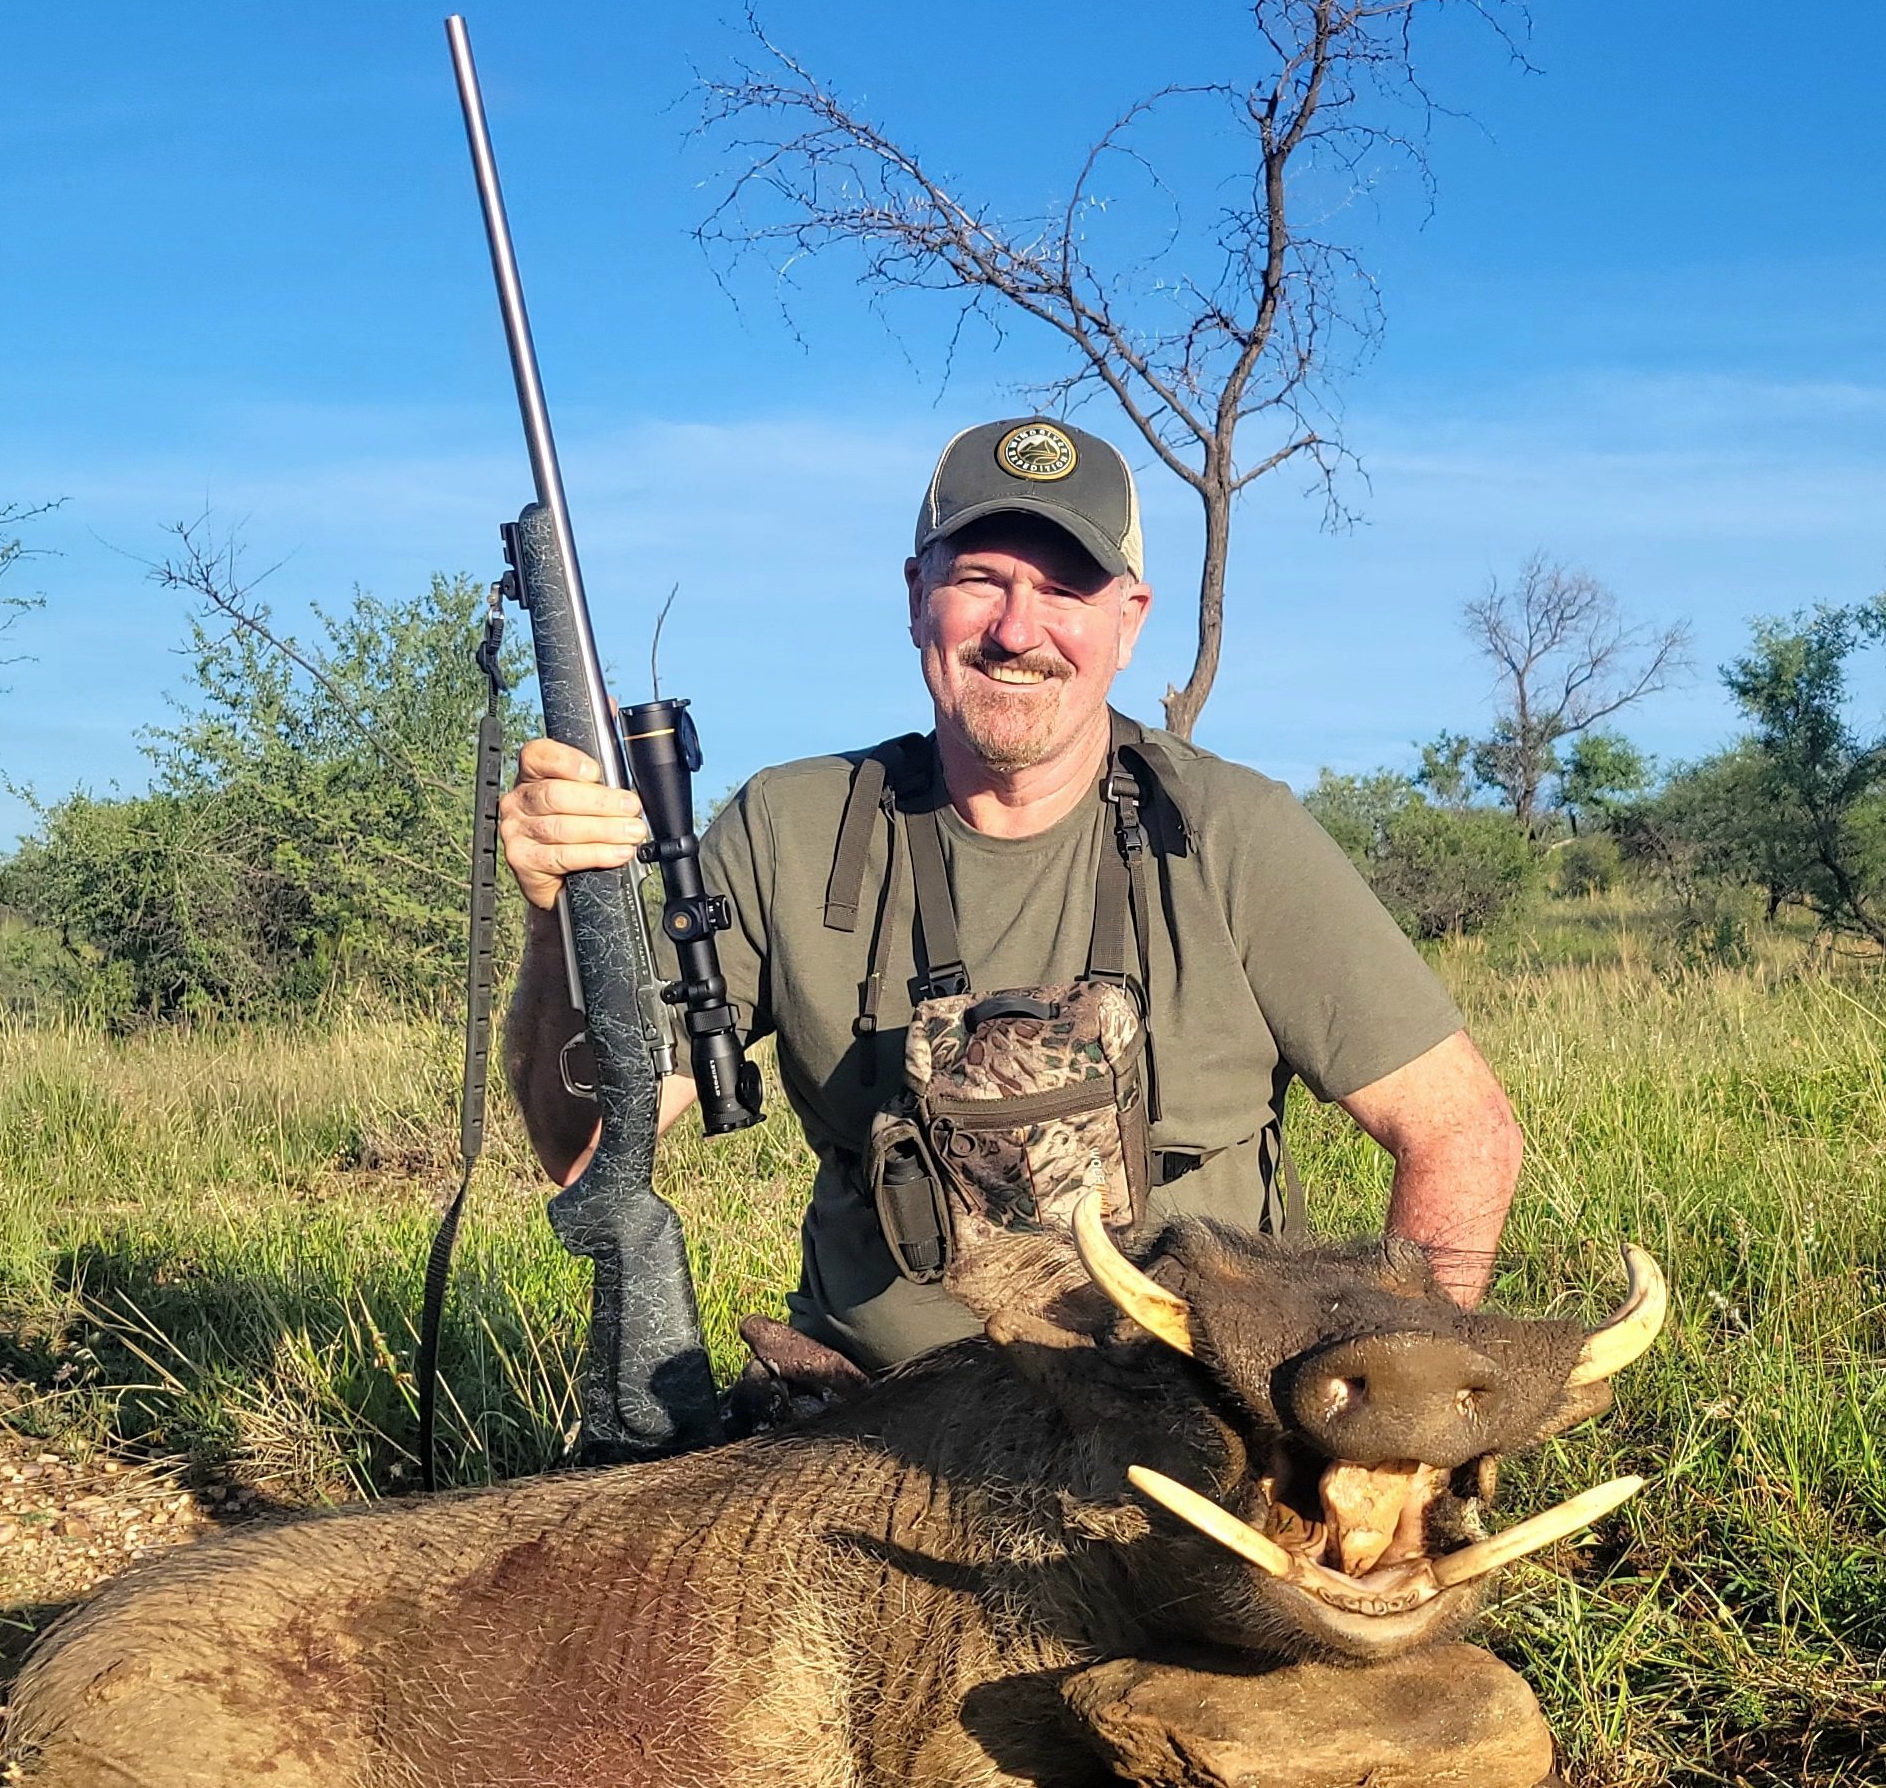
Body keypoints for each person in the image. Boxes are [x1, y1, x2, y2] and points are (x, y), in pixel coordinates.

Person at [500, 416, 1523, 1372]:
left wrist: (1399, 1393)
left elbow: (1458, 1133)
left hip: (1177, 1428)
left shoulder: (1234, 832)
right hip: (865, 1428)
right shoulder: (789, 826)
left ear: (1127, 622)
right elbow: (582, 1149)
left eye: (1066, 589)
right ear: (914, 598)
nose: (1016, 629)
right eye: (979, 579)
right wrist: (555, 916)